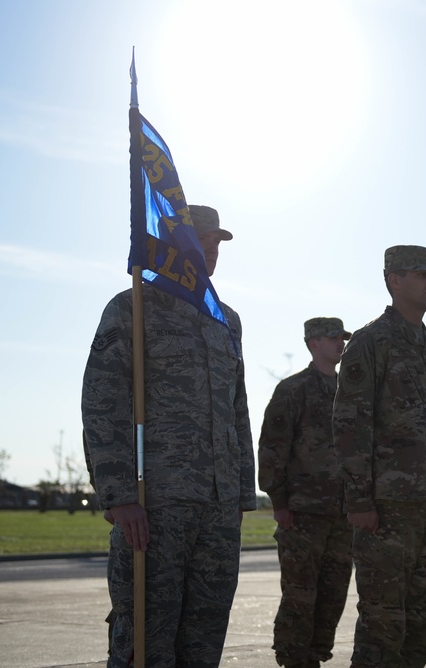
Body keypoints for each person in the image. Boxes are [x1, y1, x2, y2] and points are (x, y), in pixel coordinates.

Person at [82, 204, 256, 667]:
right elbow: (103, 402)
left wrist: (241, 495)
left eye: (217, 243)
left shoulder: (227, 320)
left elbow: (238, 410)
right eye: (204, 240)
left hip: (217, 509)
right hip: (155, 504)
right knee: (145, 636)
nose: (213, 251)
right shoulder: (133, 306)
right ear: (173, 243)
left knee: (204, 638)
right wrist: (119, 495)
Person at [332, 245, 426, 668]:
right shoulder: (370, 343)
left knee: (422, 625)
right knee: (383, 624)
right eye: (422, 274)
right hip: (387, 508)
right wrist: (359, 499)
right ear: (394, 280)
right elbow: (350, 424)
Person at [258, 317, 354, 668]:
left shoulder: (351, 390)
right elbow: (271, 448)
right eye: (332, 338)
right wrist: (279, 502)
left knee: (333, 595)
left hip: (344, 514)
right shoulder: (293, 389)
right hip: (303, 513)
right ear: (313, 342)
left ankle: (315, 655)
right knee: (300, 595)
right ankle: (294, 658)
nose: (340, 343)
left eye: (342, 338)